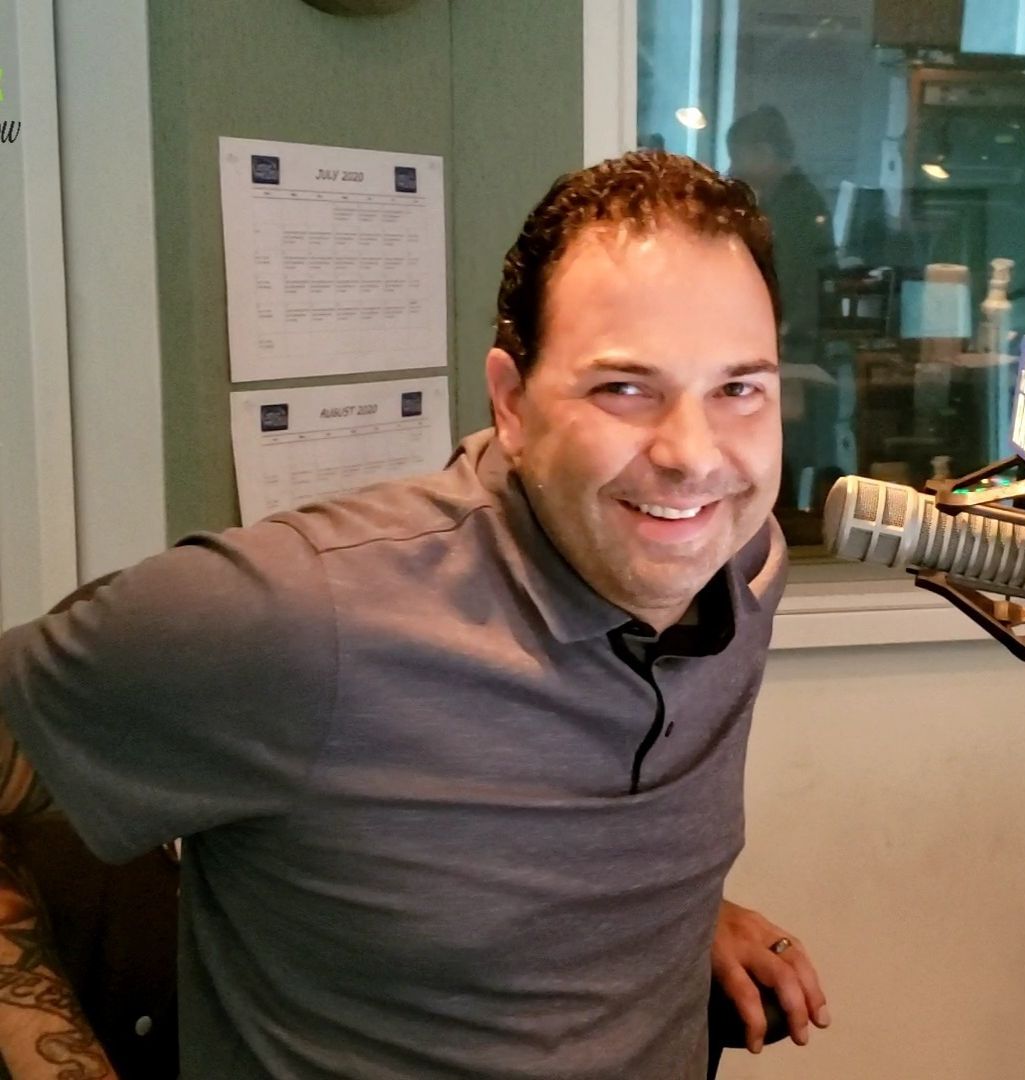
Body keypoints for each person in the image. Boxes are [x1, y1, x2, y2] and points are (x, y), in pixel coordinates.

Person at [0, 150, 828, 1079]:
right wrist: (55, 1058)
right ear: (513, 405)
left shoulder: (736, 563)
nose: (694, 457)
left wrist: (682, 910)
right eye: (624, 388)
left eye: (737, 389)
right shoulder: (298, 619)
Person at [726, 105, 836, 366]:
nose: (732, 169)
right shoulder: (785, 198)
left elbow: (788, 281)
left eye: (737, 157)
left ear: (763, 153)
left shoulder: (794, 207)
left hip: (791, 346)